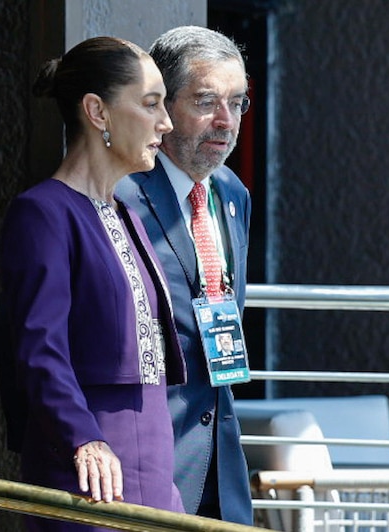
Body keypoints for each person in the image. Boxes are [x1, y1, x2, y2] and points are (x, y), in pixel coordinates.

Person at [0, 36, 185, 532]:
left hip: (156, 460)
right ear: (97, 111)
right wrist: (83, 439)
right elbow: (38, 348)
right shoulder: (43, 212)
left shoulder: (127, 215)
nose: (166, 122)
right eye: (150, 104)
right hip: (89, 461)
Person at [116, 26, 253, 524]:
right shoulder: (120, 194)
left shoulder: (233, 194)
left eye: (237, 103)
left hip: (222, 461)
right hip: (147, 461)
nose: (226, 121)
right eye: (206, 101)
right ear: (162, 106)